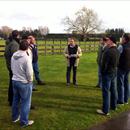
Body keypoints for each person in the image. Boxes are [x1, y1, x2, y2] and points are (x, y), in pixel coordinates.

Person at [11, 40, 34, 127]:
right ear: (27, 47)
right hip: (24, 82)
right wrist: (30, 80)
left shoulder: (14, 55)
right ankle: (24, 122)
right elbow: (29, 72)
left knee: (15, 100)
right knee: (26, 102)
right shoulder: (26, 58)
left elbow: (12, 67)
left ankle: (15, 117)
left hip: (15, 80)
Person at [97, 36, 119, 115]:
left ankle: (105, 110)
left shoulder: (108, 51)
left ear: (112, 41)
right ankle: (114, 106)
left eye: (108, 40)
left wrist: (102, 73)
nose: (107, 41)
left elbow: (104, 64)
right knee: (113, 90)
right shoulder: (117, 50)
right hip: (114, 72)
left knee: (106, 91)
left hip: (107, 73)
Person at [4, 30, 20, 106]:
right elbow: (15, 57)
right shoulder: (14, 44)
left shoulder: (9, 43)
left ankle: (11, 99)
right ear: (17, 35)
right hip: (13, 67)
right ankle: (12, 100)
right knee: (14, 84)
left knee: (12, 83)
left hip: (10, 66)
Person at [117, 33, 130, 105]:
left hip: (121, 67)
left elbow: (116, 55)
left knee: (120, 84)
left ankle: (120, 100)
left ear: (124, 38)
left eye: (122, 37)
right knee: (126, 83)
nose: (121, 38)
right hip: (128, 67)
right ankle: (126, 99)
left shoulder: (121, 46)